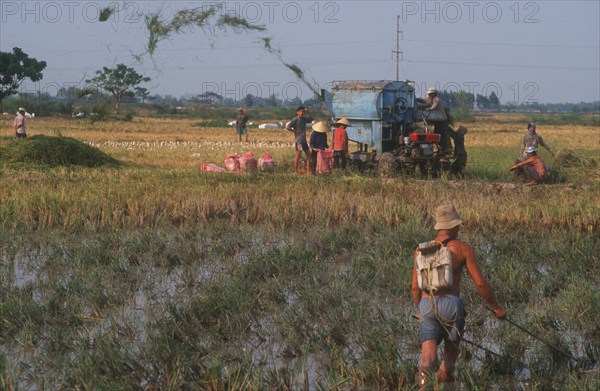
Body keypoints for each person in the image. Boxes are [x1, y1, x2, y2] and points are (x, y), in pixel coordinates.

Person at [411, 204, 506, 387]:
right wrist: (496, 307)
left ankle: (424, 385)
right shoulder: (463, 249)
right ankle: (443, 383)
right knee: (450, 354)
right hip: (452, 306)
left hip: (426, 304)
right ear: (454, 226)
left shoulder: (420, 250)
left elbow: (415, 287)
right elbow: (480, 283)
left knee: (427, 356)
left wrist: (420, 311)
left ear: (439, 226)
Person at [417, 87, 449, 153]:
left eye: (430, 94)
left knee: (440, 135)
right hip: (437, 120)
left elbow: (434, 107)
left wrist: (428, 109)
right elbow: (423, 100)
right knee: (435, 133)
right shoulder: (429, 99)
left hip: (442, 120)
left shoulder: (437, 99)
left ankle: (444, 148)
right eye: (429, 94)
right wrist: (415, 99)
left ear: (434, 94)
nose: (429, 95)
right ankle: (439, 148)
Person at [286, 105, 313, 174]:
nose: (302, 113)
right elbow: (288, 127)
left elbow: (311, 119)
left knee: (309, 155)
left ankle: (308, 171)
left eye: (303, 112)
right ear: (297, 112)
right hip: (299, 141)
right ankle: (295, 171)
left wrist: (308, 112)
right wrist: (295, 131)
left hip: (304, 141)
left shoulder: (304, 119)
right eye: (300, 111)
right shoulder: (295, 120)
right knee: (298, 155)